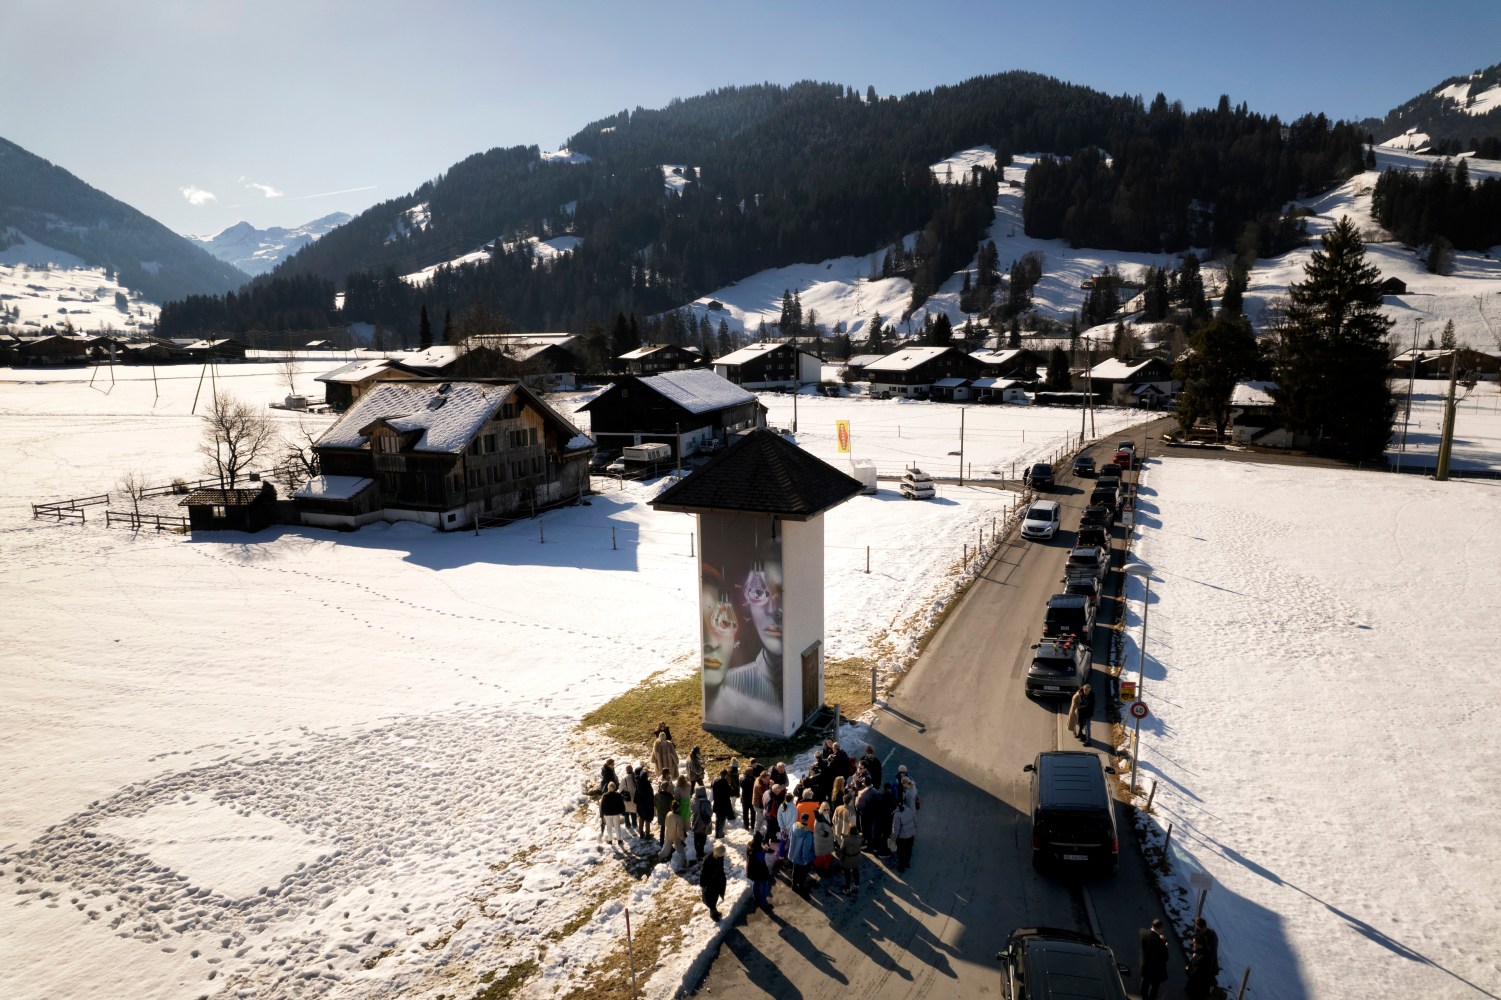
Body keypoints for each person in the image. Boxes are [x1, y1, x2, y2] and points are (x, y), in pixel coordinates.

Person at [1139, 918, 1170, 1000]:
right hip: (1155, 969)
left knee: (1144, 983)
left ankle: (1143, 996)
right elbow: (1166, 957)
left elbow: (1150, 938)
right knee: (1155, 986)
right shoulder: (1160, 943)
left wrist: (1158, 937)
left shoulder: (1143, 932)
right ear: (1160, 928)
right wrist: (1165, 946)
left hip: (1145, 964)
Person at [788, 810, 816, 894]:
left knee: (795, 871)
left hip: (794, 855)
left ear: (801, 819)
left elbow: (790, 837)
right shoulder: (808, 834)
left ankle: (793, 886)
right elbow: (806, 849)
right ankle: (800, 887)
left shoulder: (794, 826)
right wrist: (806, 859)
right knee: (802, 874)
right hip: (802, 858)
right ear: (807, 820)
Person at [747, 832, 774, 913]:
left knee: (756, 884)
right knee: (763, 886)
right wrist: (764, 850)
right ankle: (763, 903)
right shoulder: (757, 849)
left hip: (752, 870)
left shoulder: (750, 845)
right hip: (760, 871)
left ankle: (756, 899)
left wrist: (763, 849)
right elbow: (761, 860)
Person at [699, 842, 727, 921]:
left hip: (717, 880)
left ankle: (714, 910)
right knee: (710, 898)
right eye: (721, 854)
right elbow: (703, 872)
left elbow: (720, 867)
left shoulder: (720, 857)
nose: (722, 855)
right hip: (710, 882)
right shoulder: (708, 859)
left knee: (715, 897)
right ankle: (713, 913)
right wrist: (703, 883)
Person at [891, 793, 916, 872]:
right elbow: (915, 821)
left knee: (901, 852)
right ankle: (907, 863)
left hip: (902, 837)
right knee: (909, 850)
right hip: (911, 835)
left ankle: (901, 867)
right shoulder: (909, 810)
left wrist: (893, 838)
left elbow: (896, 829)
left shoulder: (897, 815)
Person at [836, 825, 864, 895]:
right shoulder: (860, 838)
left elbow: (841, 849)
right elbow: (856, 836)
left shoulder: (846, 840)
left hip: (848, 859)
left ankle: (847, 889)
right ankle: (856, 885)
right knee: (856, 871)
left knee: (847, 874)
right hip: (856, 858)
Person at [599, 782, 627, 847]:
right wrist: (623, 812)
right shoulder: (618, 795)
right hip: (616, 814)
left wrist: (601, 815)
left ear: (608, 787)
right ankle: (619, 840)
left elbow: (602, 806)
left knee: (609, 827)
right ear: (614, 788)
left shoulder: (605, 795)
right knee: (617, 827)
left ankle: (610, 840)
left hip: (607, 814)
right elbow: (622, 805)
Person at [813, 802, 836, 873]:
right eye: (824, 809)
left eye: (827, 809)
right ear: (821, 809)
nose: (826, 811)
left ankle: (826, 868)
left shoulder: (829, 815)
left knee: (828, 855)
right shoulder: (818, 818)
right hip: (821, 840)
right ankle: (817, 867)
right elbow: (816, 829)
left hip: (828, 840)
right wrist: (824, 833)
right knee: (820, 856)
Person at [691, 783, 712, 861]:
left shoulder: (693, 800)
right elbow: (710, 813)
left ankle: (697, 853)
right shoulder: (705, 802)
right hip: (703, 823)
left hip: (694, 821)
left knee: (696, 837)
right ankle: (701, 853)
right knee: (703, 838)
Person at [711, 769, 735, 838]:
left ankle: (716, 833)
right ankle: (720, 834)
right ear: (725, 775)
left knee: (717, 819)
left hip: (717, 804)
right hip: (724, 805)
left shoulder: (716, 782)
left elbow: (713, 793)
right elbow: (732, 793)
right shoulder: (725, 783)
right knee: (722, 819)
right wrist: (731, 787)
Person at [633, 765, 654, 841]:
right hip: (647, 805)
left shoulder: (638, 783)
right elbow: (650, 796)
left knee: (641, 818)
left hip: (640, 805)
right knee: (648, 820)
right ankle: (647, 834)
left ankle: (641, 833)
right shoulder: (647, 786)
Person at [653, 777, 674, 847]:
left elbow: (654, 803)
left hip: (661, 815)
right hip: (668, 816)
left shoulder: (657, 795)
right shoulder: (670, 797)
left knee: (662, 829)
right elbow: (672, 807)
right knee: (669, 829)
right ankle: (669, 842)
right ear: (667, 788)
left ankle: (661, 843)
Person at [619, 767, 638, 832]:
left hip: (627, 798)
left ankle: (628, 825)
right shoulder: (635, 777)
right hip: (635, 798)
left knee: (626, 812)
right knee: (633, 812)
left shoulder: (624, 778)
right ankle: (635, 824)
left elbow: (620, 789)